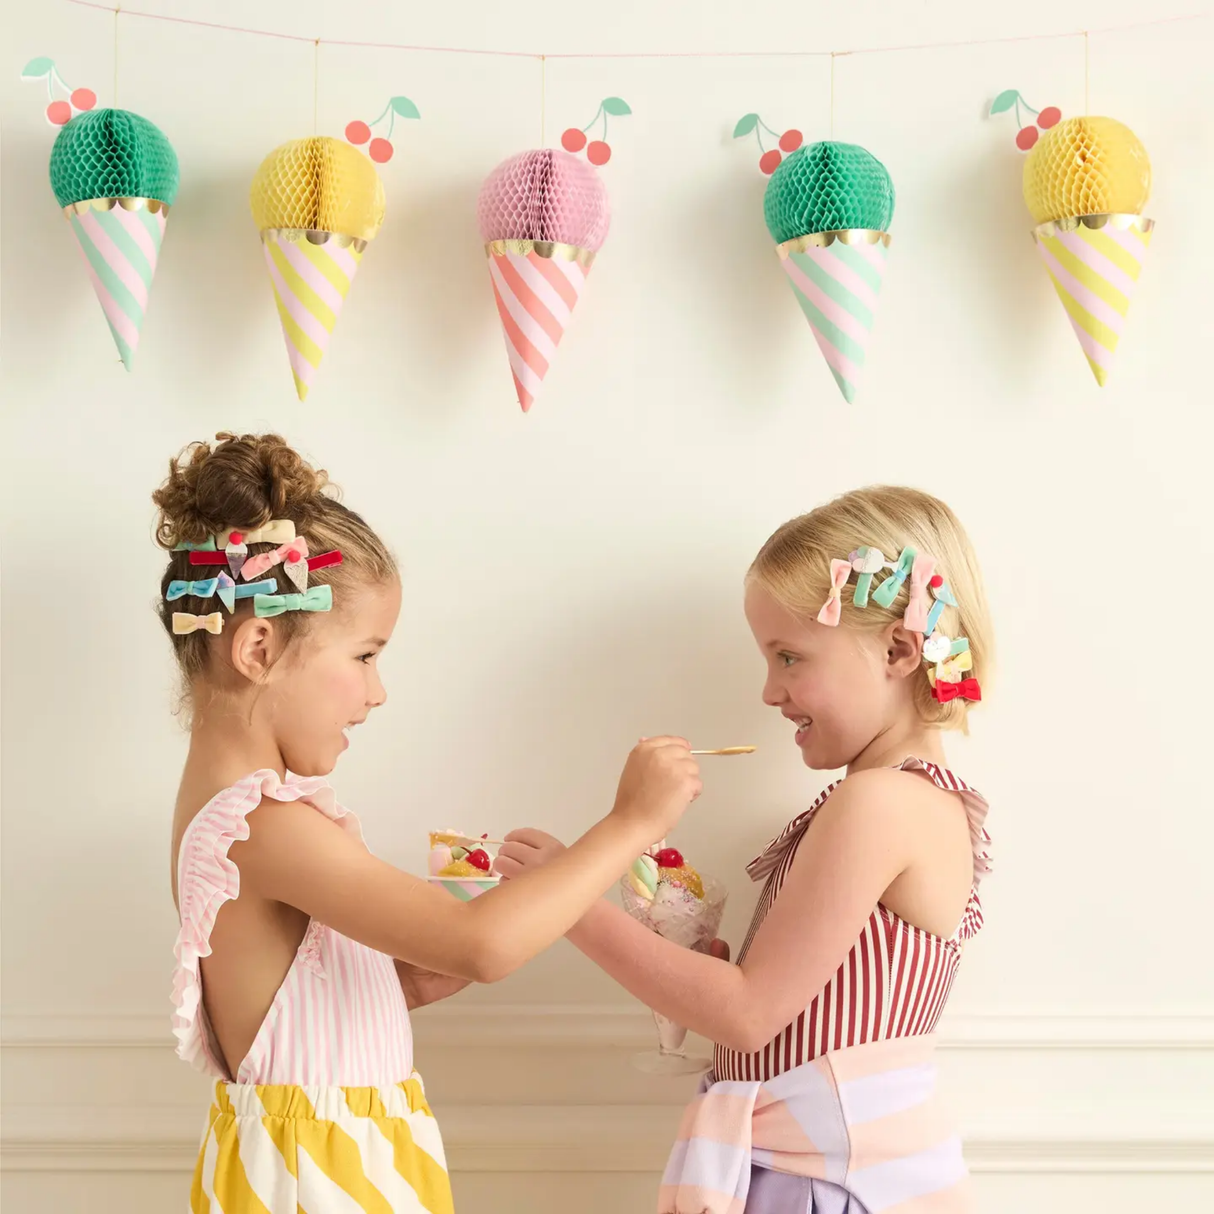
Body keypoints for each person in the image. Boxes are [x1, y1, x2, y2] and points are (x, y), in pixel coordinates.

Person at [157, 432, 701, 1213]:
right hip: (317, 1179)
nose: (377, 693)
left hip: (333, 1164)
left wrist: (406, 979)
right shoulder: (260, 826)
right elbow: (483, 948)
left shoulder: (255, 822)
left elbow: (309, 1000)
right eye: (366, 656)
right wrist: (629, 824)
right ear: (259, 647)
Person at [497, 486, 994, 1212]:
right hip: (828, 1170)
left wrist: (566, 897)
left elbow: (749, 1013)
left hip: (828, 1182)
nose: (770, 691)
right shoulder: (906, 800)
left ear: (898, 649)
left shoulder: (881, 803)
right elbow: (773, 1008)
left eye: (790, 657)